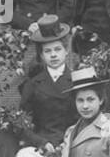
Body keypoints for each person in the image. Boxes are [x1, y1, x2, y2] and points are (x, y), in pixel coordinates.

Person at [17, 15, 76, 149]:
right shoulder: (33, 84)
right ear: (42, 56)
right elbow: (23, 123)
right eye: (48, 51)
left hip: (72, 143)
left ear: (66, 51)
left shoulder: (76, 81)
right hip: (42, 143)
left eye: (57, 49)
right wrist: (41, 142)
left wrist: (70, 141)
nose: (53, 55)